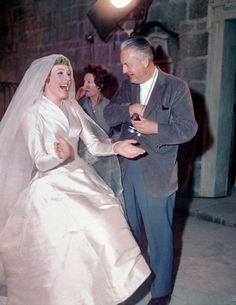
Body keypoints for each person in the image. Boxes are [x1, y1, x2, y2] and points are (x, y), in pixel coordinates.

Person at [0, 54, 151, 305]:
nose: (67, 78)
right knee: (64, 251)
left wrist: (117, 148)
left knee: (106, 221)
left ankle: (101, 291)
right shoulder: (32, 113)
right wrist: (63, 155)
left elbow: (93, 145)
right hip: (49, 185)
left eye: (69, 73)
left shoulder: (72, 107)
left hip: (80, 177)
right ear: (46, 78)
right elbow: (40, 161)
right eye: (60, 73)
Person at [104, 36, 198, 305]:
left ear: (145, 61)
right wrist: (129, 108)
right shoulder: (127, 87)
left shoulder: (175, 87)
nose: (124, 70)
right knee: (128, 233)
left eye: (127, 65)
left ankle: (161, 293)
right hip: (128, 170)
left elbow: (188, 128)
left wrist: (157, 128)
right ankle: (131, 287)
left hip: (157, 172)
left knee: (159, 237)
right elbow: (109, 114)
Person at [76, 63, 113, 137]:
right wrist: (76, 99)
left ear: (99, 85)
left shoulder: (110, 106)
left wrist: (112, 140)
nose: (84, 86)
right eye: (84, 82)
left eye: (89, 82)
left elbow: (118, 131)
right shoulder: (79, 104)